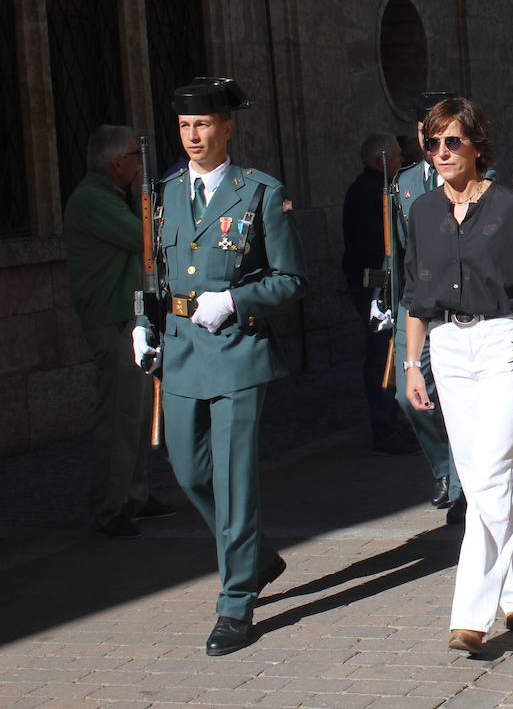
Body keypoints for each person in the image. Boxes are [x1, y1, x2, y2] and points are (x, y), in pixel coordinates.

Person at [131, 77, 306, 656]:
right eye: (184, 126)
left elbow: (289, 279)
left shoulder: (257, 193)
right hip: (179, 349)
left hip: (236, 351)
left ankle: (235, 603)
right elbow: (150, 270)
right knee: (189, 472)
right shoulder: (162, 194)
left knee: (234, 481)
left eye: (203, 124)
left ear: (227, 128)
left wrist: (234, 300)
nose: (193, 136)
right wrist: (142, 323)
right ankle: (255, 556)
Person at [401, 96, 513, 655]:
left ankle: (470, 614)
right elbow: (416, 296)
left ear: (476, 145)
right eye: (433, 142)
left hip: (501, 345)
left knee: (493, 477)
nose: (441, 152)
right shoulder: (420, 211)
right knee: (487, 482)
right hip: (446, 348)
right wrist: (411, 364)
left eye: (452, 141)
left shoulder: (510, 207)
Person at [64, 125, 174, 538]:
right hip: (113, 320)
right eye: (135, 155)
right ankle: (111, 507)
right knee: (120, 416)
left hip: (127, 318)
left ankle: (134, 495)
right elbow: (144, 240)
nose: (139, 164)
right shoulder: (93, 199)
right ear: (117, 163)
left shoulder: (107, 196)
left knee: (138, 414)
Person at [382, 96, 465, 520]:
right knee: (406, 396)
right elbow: (396, 249)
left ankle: (459, 485)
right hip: (414, 305)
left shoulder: (477, 178)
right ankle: (443, 469)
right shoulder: (404, 183)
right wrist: (386, 295)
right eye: (426, 134)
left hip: (459, 304)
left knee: (456, 397)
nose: (435, 143)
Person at [342, 132, 414, 455]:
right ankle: (384, 427)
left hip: (379, 284)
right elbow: (374, 247)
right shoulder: (369, 192)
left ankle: (394, 422)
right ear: (381, 160)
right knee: (381, 356)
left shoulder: (377, 187)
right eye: (397, 154)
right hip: (375, 288)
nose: (402, 159)